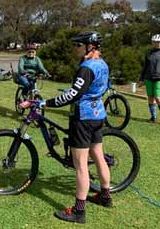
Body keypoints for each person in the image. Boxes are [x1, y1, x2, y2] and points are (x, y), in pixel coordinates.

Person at [20, 31, 112, 224]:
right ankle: (105, 196)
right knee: (98, 156)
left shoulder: (86, 68)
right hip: (98, 114)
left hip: (83, 117)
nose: (75, 49)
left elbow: (71, 95)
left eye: (78, 45)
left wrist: (44, 103)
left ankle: (79, 211)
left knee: (80, 166)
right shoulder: (103, 64)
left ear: (89, 46)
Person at [140, 34, 160, 123]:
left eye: (158, 42)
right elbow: (145, 67)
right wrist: (141, 79)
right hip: (148, 78)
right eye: (155, 42)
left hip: (158, 78)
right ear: (152, 43)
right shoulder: (148, 53)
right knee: (150, 98)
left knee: (158, 98)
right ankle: (153, 117)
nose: (157, 43)